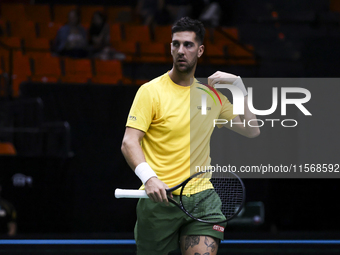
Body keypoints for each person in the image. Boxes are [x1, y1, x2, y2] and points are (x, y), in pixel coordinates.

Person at [121, 17, 260, 255]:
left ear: (200, 49)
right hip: (159, 201)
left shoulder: (212, 96)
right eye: (176, 44)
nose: (181, 51)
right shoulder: (150, 91)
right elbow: (129, 142)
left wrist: (239, 86)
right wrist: (150, 178)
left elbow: (252, 129)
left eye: (188, 45)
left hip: (202, 198)